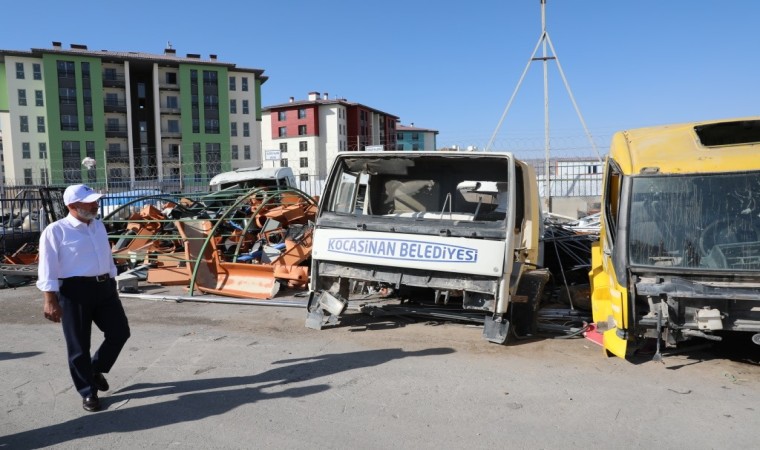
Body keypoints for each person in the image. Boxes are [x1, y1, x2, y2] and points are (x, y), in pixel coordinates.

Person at [36, 184, 130, 412]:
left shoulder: (98, 226)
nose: (95, 205)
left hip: (104, 287)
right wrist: (49, 299)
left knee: (119, 332)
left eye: (95, 201)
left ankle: (95, 369)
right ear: (72, 205)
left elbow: (106, 256)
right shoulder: (56, 231)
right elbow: (47, 267)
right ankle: (88, 392)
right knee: (79, 345)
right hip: (74, 292)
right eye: (89, 202)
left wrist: (112, 282)